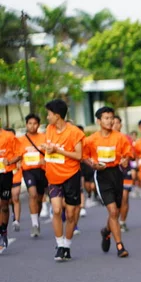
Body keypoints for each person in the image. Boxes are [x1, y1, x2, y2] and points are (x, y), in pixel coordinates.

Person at [83, 107, 131, 258]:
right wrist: (92, 165)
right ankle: (120, 246)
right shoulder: (91, 139)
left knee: (115, 210)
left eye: (111, 118)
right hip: (102, 175)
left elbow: (127, 154)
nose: (110, 121)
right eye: (106, 118)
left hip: (116, 174)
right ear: (98, 121)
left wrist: (125, 161)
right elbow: (84, 156)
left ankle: (106, 231)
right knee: (113, 212)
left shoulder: (120, 137)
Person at [40, 99, 85, 261]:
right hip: (53, 177)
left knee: (71, 214)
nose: (47, 117)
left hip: (71, 176)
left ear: (57, 116)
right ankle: (59, 245)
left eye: (49, 114)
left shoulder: (74, 132)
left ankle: (67, 245)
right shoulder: (49, 130)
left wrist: (58, 150)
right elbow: (48, 148)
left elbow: (79, 156)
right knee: (57, 210)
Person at [19, 113, 48, 238]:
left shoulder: (44, 137)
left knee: (40, 198)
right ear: (26, 125)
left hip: (41, 171)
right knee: (33, 194)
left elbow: (51, 152)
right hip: (28, 171)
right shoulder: (21, 140)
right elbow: (17, 154)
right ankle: (34, 225)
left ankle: (37, 217)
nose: (32, 126)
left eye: (35, 123)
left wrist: (45, 159)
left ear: (38, 125)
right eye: (29, 123)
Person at [0, 126, 21, 254]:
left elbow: (19, 154)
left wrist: (10, 161)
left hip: (5, 175)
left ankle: (3, 231)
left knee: (4, 205)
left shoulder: (9, 136)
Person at [112, 115, 134, 232]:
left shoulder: (127, 138)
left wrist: (127, 159)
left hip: (125, 171)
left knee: (124, 198)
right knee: (115, 200)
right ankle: (114, 220)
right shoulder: (107, 139)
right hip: (111, 172)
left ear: (121, 125)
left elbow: (132, 155)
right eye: (113, 122)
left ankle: (122, 222)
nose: (115, 125)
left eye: (117, 123)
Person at [4, 128, 22, 233]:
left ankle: (16, 220)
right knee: (7, 200)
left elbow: (21, 155)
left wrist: (16, 162)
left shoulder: (16, 144)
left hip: (15, 174)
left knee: (15, 197)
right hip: (5, 175)